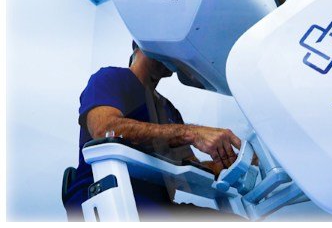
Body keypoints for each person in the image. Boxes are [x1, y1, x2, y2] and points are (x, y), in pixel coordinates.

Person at [63, 42, 244, 220]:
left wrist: (236, 163)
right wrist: (191, 133)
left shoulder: (169, 110)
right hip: (109, 199)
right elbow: (105, 129)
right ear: (140, 43)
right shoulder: (110, 78)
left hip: (160, 207)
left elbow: (190, 174)